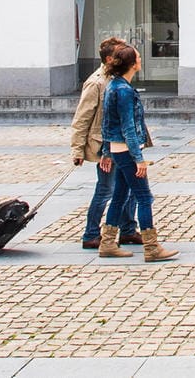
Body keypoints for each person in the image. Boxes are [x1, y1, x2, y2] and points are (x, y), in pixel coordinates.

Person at [98, 44, 177, 262]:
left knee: (120, 195)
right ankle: (151, 247)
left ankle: (107, 243)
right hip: (126, 151)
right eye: (139, 58)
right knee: (144, 197)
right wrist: (138, 158)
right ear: (132, 64)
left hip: (118, 149)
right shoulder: (123, 90)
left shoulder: (114, 86)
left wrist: (107, 150)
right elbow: (128, 127)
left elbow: (106, 123)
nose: (141, 60)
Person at [69, 36, 127, 250]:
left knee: (126, 187)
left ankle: (129, 229)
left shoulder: (117, 78)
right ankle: (91, 233)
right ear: (111, 58)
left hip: (120, 143)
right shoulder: (97, 82)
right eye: (121, 54)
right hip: (106, 145)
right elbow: (82, 118)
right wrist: (77, 149)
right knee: (105, 189)